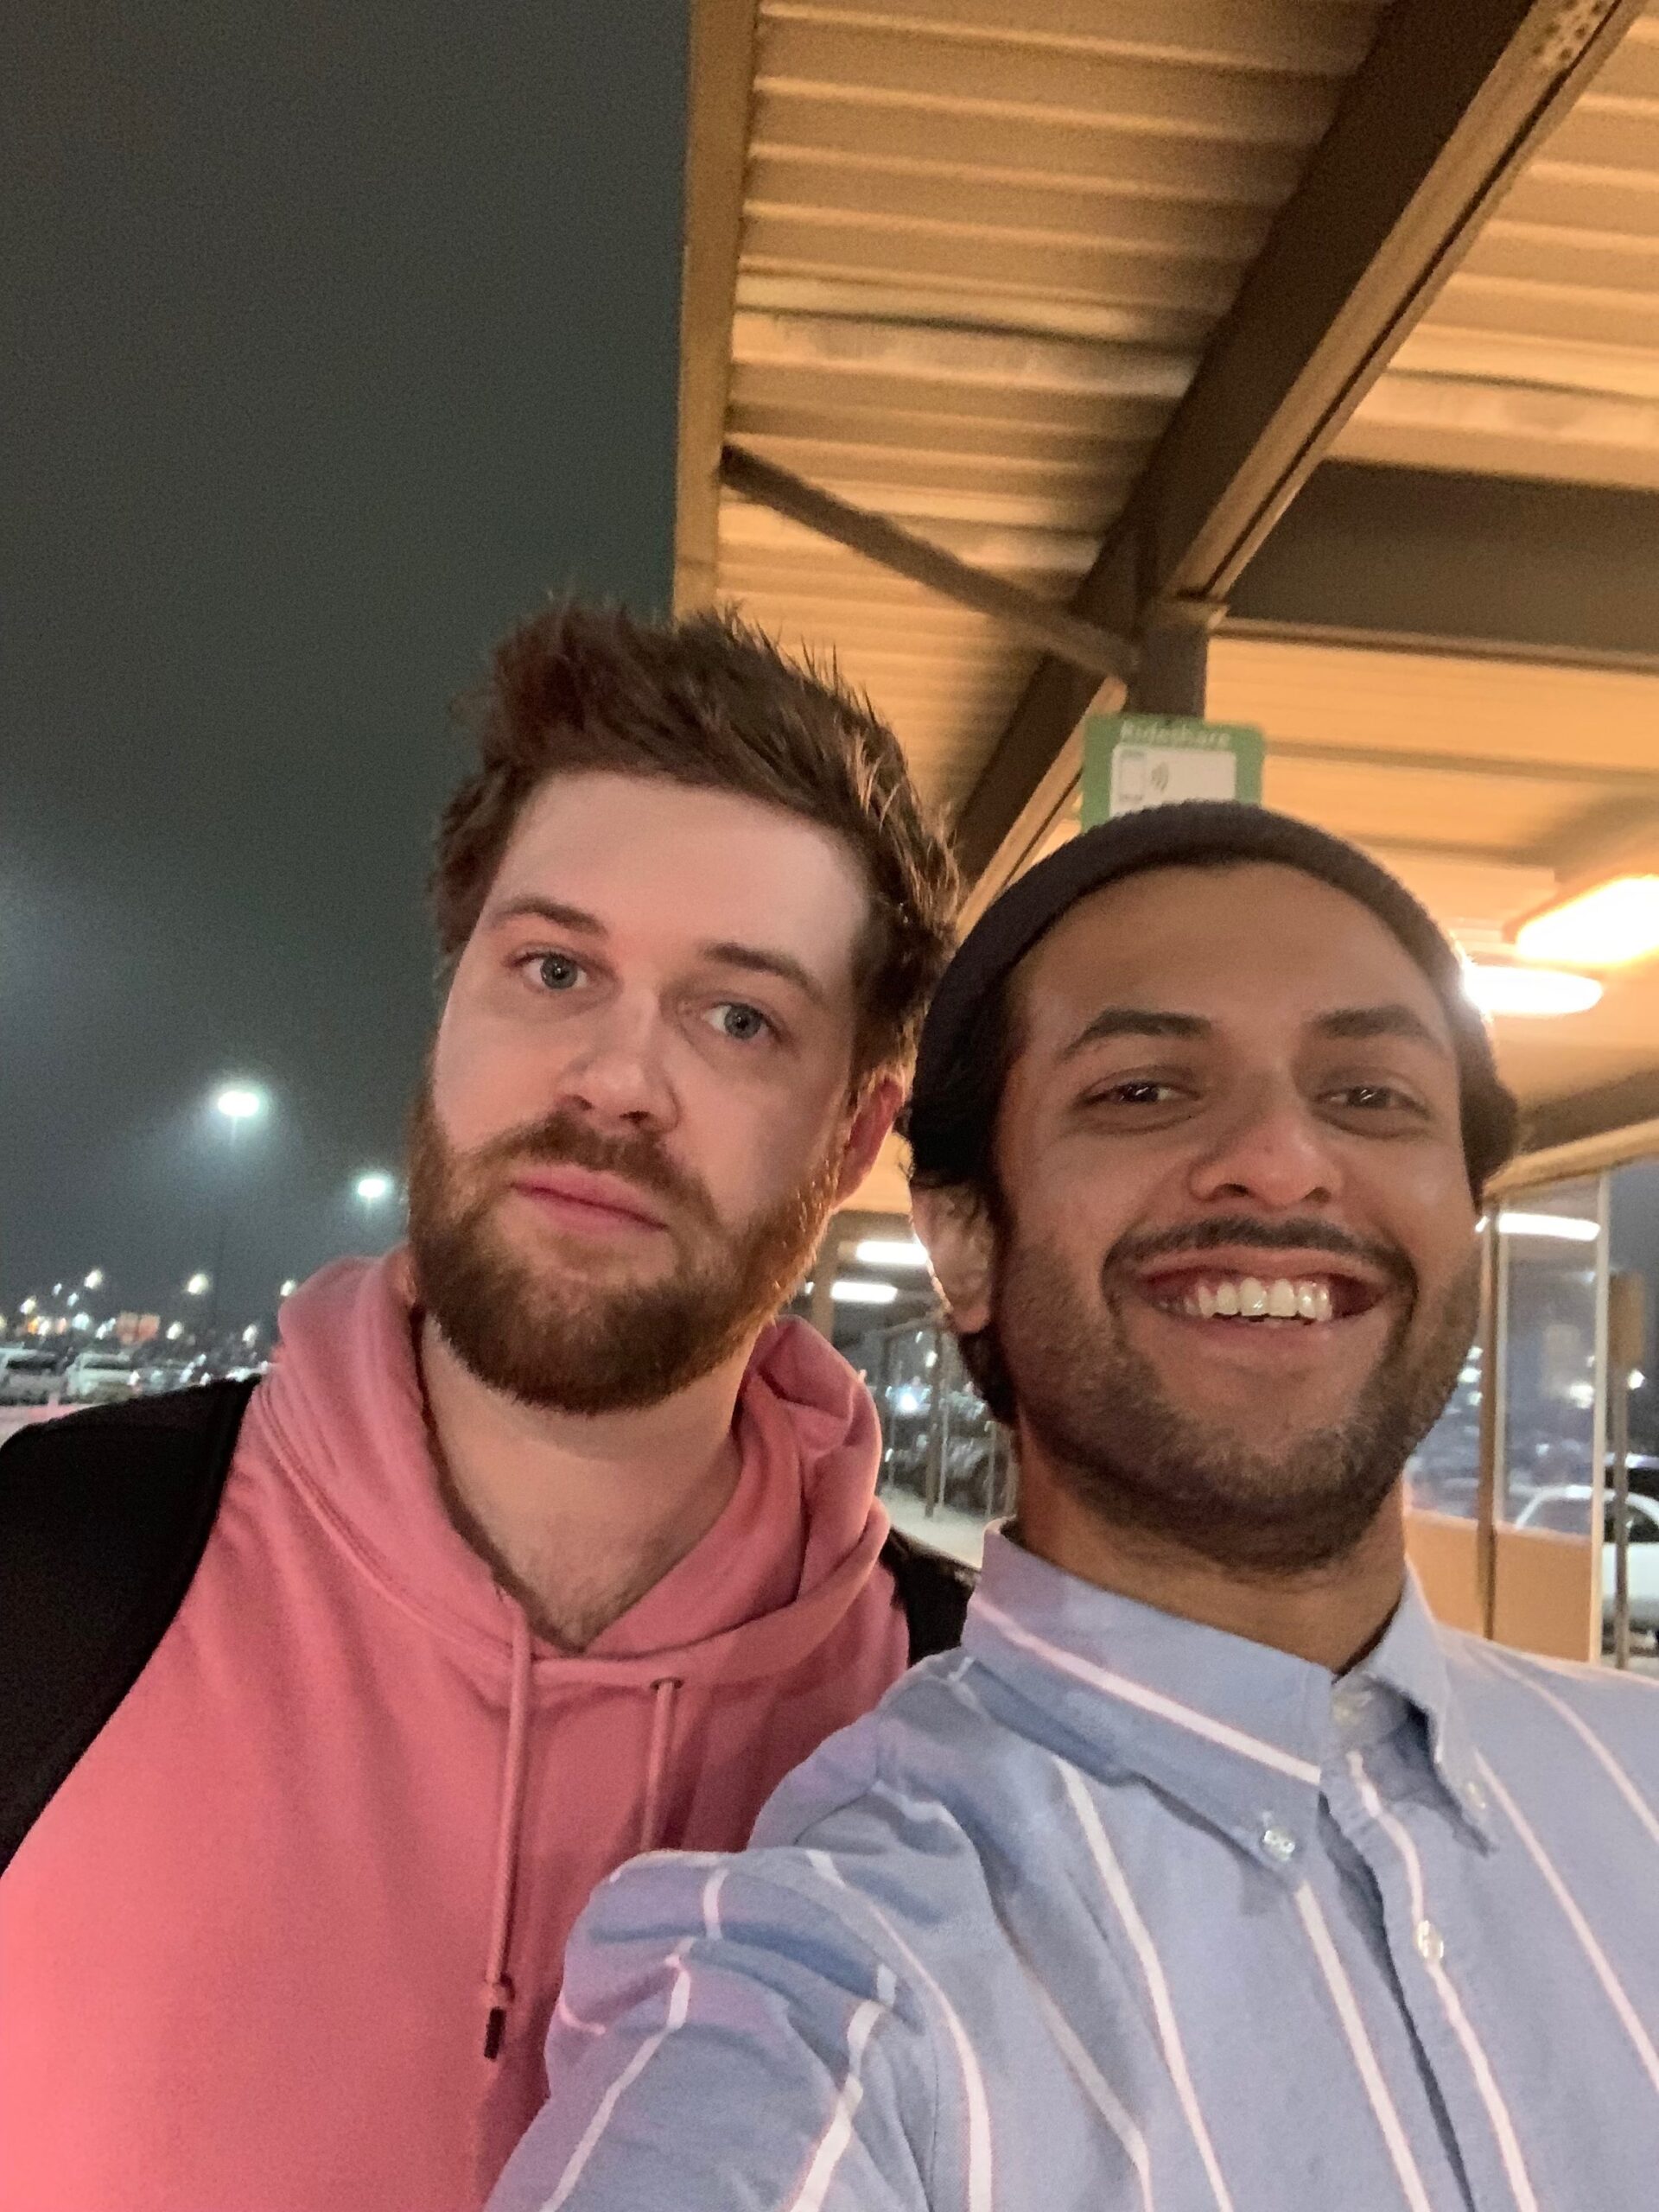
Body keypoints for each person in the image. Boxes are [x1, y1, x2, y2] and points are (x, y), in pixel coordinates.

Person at [490, 803, 1659, 2212]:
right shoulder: (837, 1978)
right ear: (964, 1244)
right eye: (1145, 1091)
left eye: (1371, 1095)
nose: (1283, 1157)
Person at [0, 602, 961, 2212]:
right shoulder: (47, 1576)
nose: (615, 1078)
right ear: (452, 1007)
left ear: (855, 1136)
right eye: (554, 968)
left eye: (739, 1016)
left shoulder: (954, 1738)